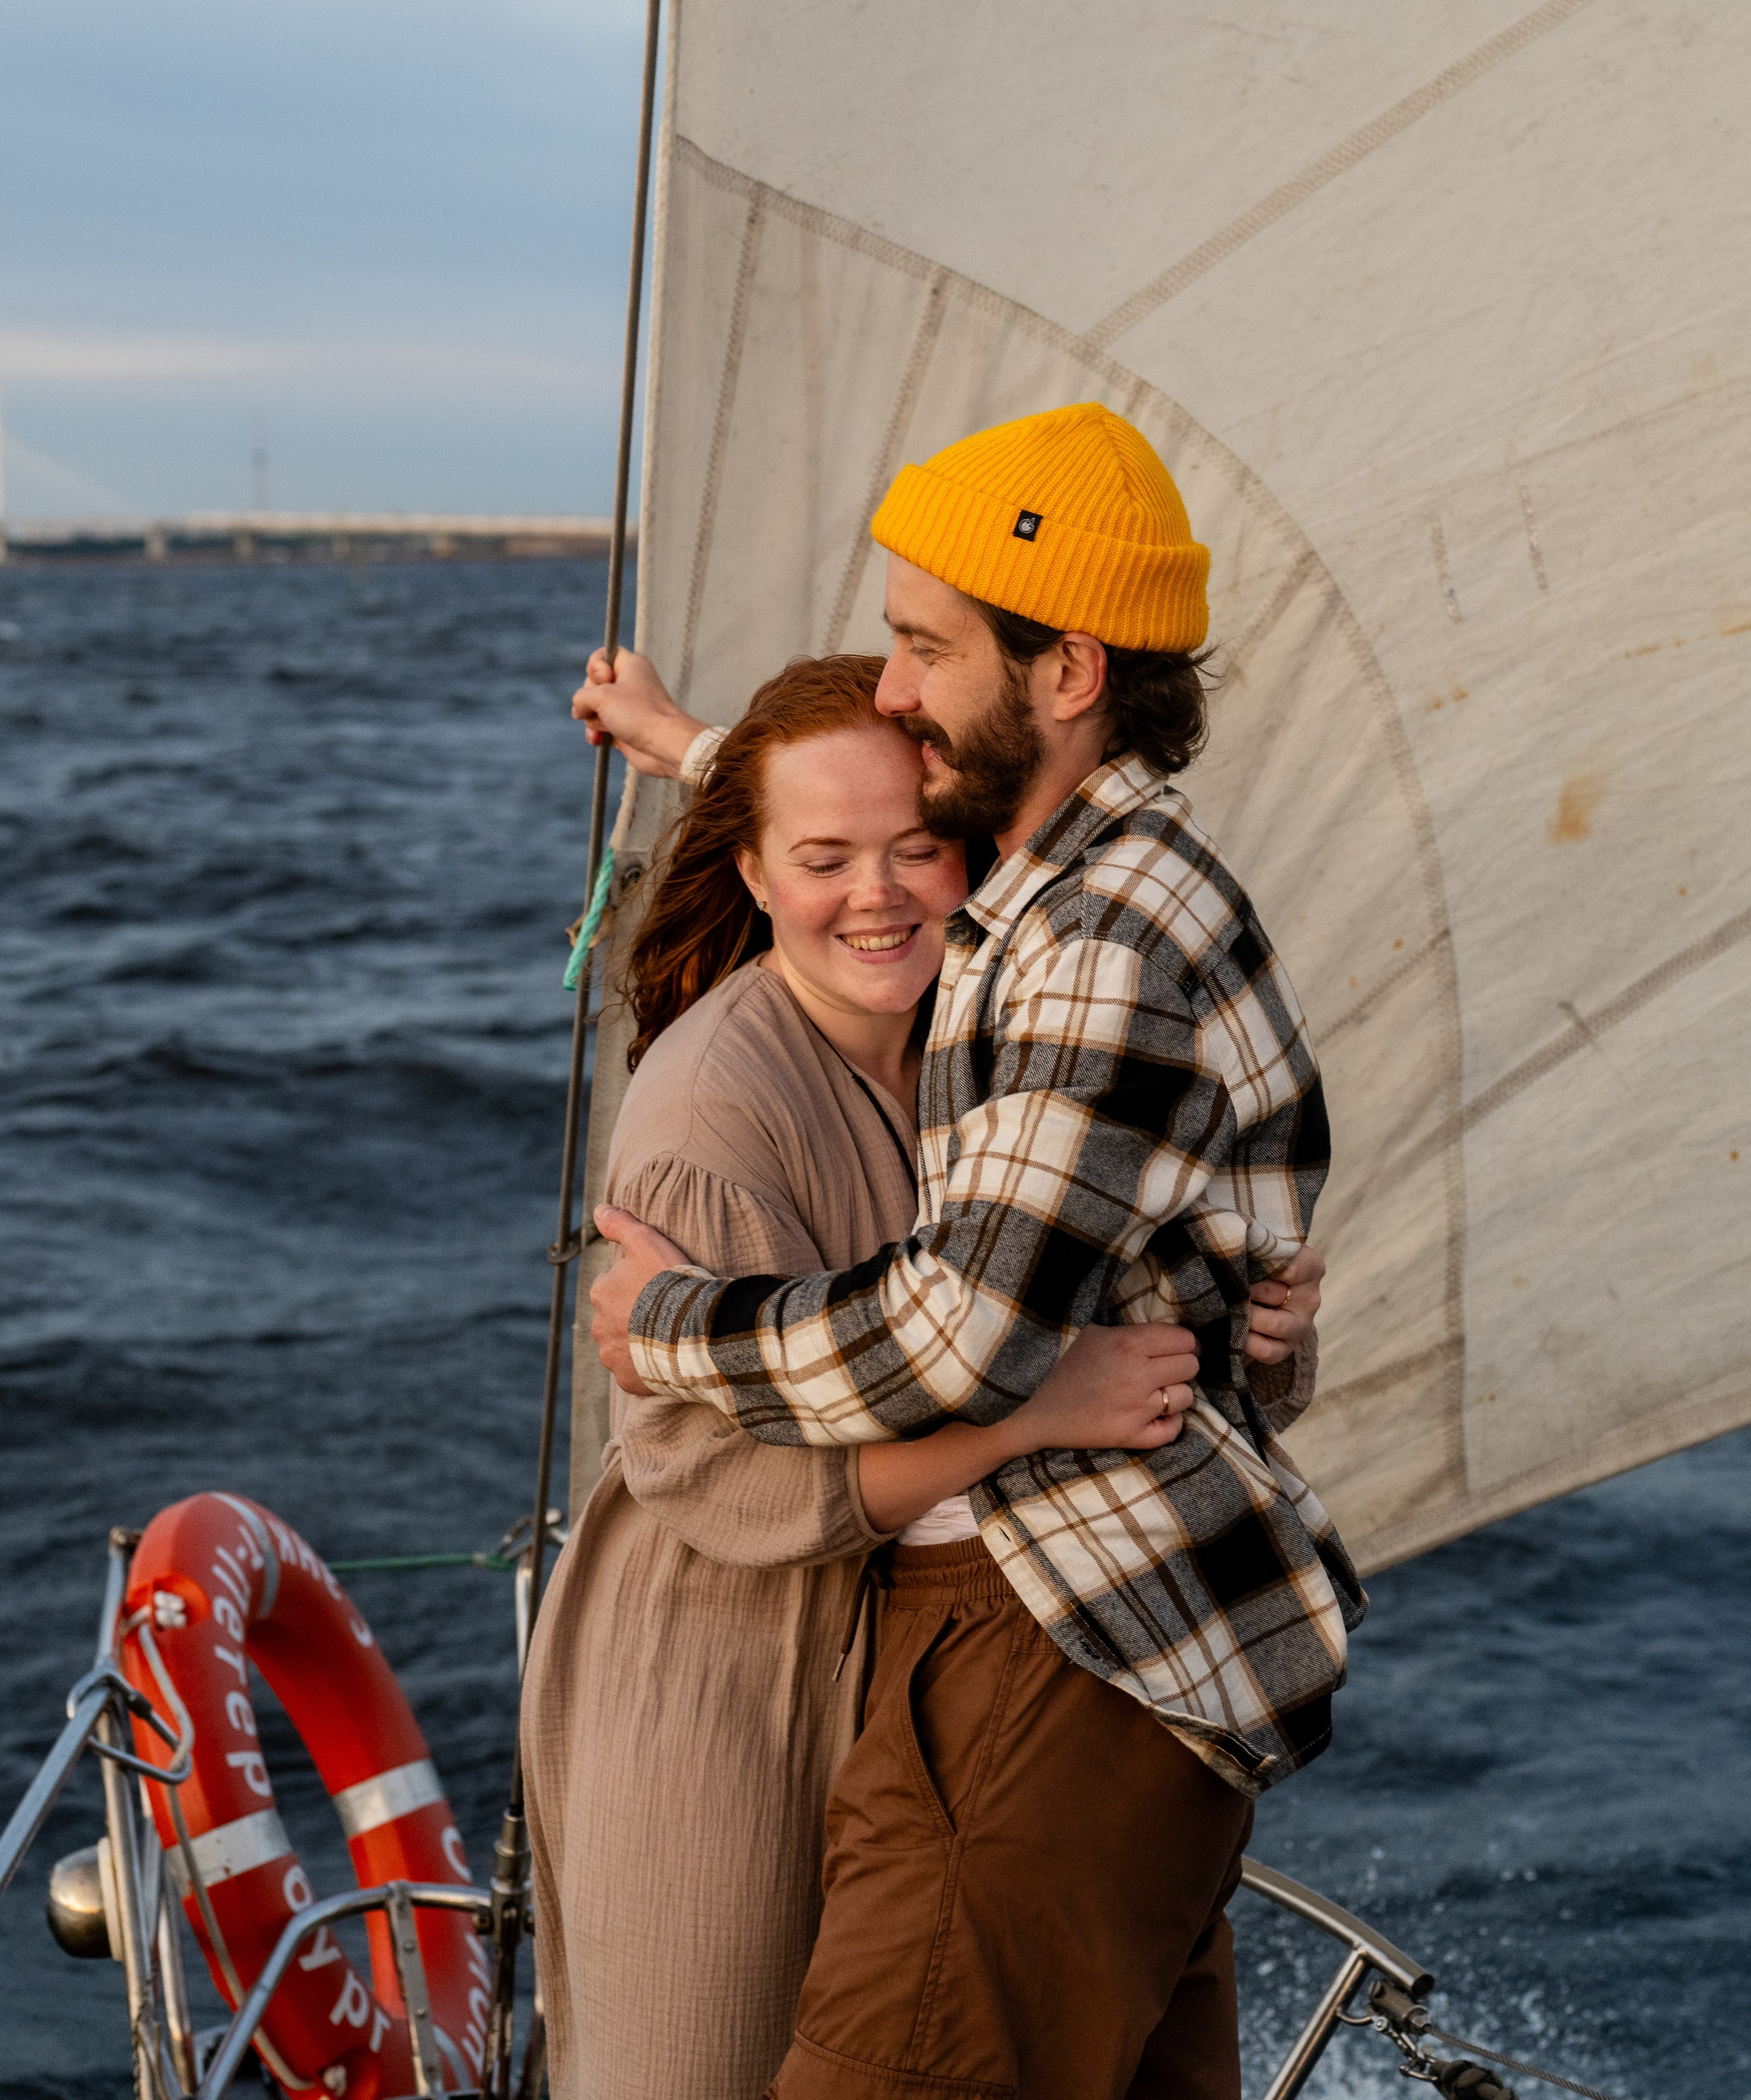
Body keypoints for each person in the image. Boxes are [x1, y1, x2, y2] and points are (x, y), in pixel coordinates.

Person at [581, 400, 1358, 2100]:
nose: (894, 685)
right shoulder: (1076, 872)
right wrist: (685, 744)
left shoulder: (1085, 945)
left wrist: (664, 1326)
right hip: (1132, 1643)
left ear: (1064, 670)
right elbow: (858, 824)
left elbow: (955, 1343)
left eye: (924, 644)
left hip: (1054, 1634)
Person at [521, 652, 1225, 2100]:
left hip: (921, 1655)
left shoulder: (978, 1027)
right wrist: (1033, 1409)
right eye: (825, 857)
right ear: (757, 870)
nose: (879, 892)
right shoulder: (712, 1105)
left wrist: (1246, 1303)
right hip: (720, 1669)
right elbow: (719, 1472)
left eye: (917, 847)